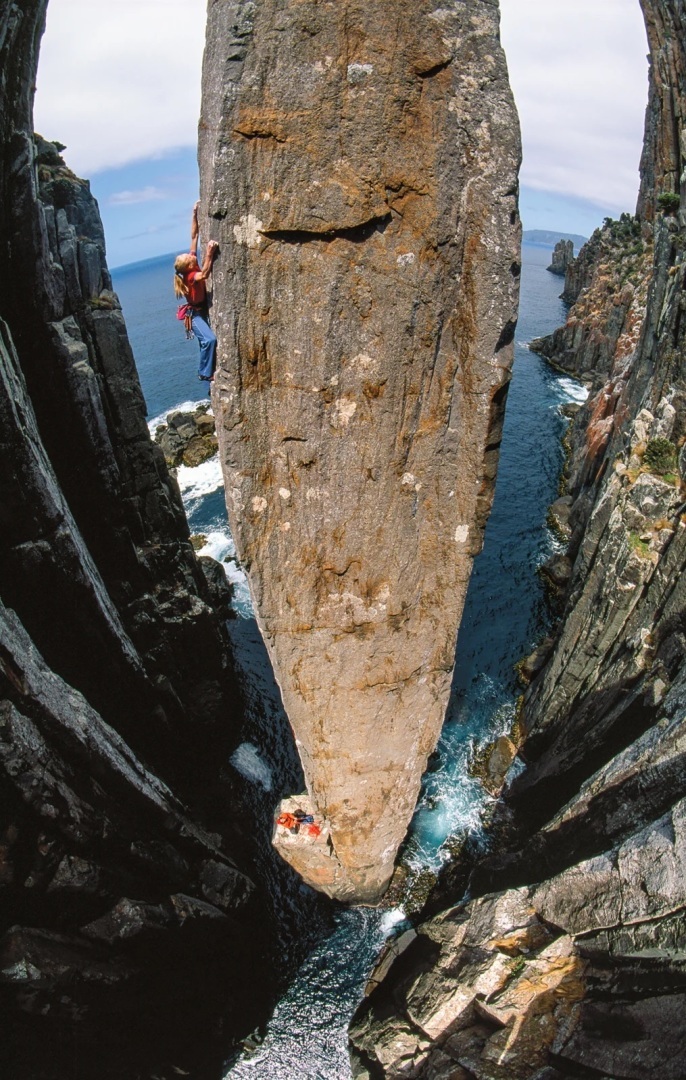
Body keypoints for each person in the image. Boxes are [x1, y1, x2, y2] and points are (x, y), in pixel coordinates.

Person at [174, 202, 219, 383]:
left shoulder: (189, 265)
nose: (190, 255)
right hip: (195, 316)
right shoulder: (190, 276)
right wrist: (209, 253)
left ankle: (207, 369)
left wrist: (194, 215)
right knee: (209, 341)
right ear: (189, 266)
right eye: (188, 258)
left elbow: (194, 236)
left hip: (200, 311)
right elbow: (206, 273)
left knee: (204, 342)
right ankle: (204, 373)